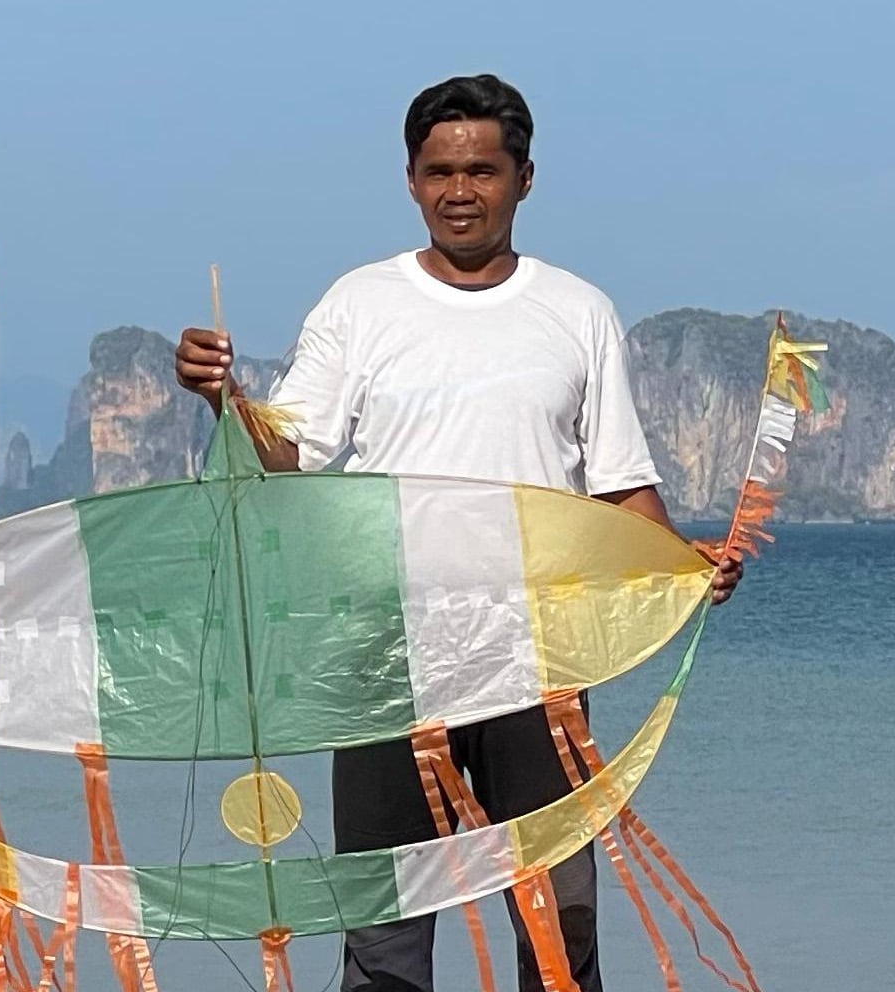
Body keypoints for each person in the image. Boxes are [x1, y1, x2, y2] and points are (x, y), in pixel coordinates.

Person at [174, 74, 740, 992]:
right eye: (439, 171)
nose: (461, 191)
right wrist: (222, 397)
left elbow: (622, 487)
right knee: (384, 927)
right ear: (410, 181)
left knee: (562, 918)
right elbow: (289, 454)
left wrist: (685, 566)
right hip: (381, 661)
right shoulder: (361, 304)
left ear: (524, 178)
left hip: (539, 662)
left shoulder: (580, 312)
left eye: (483, 169)